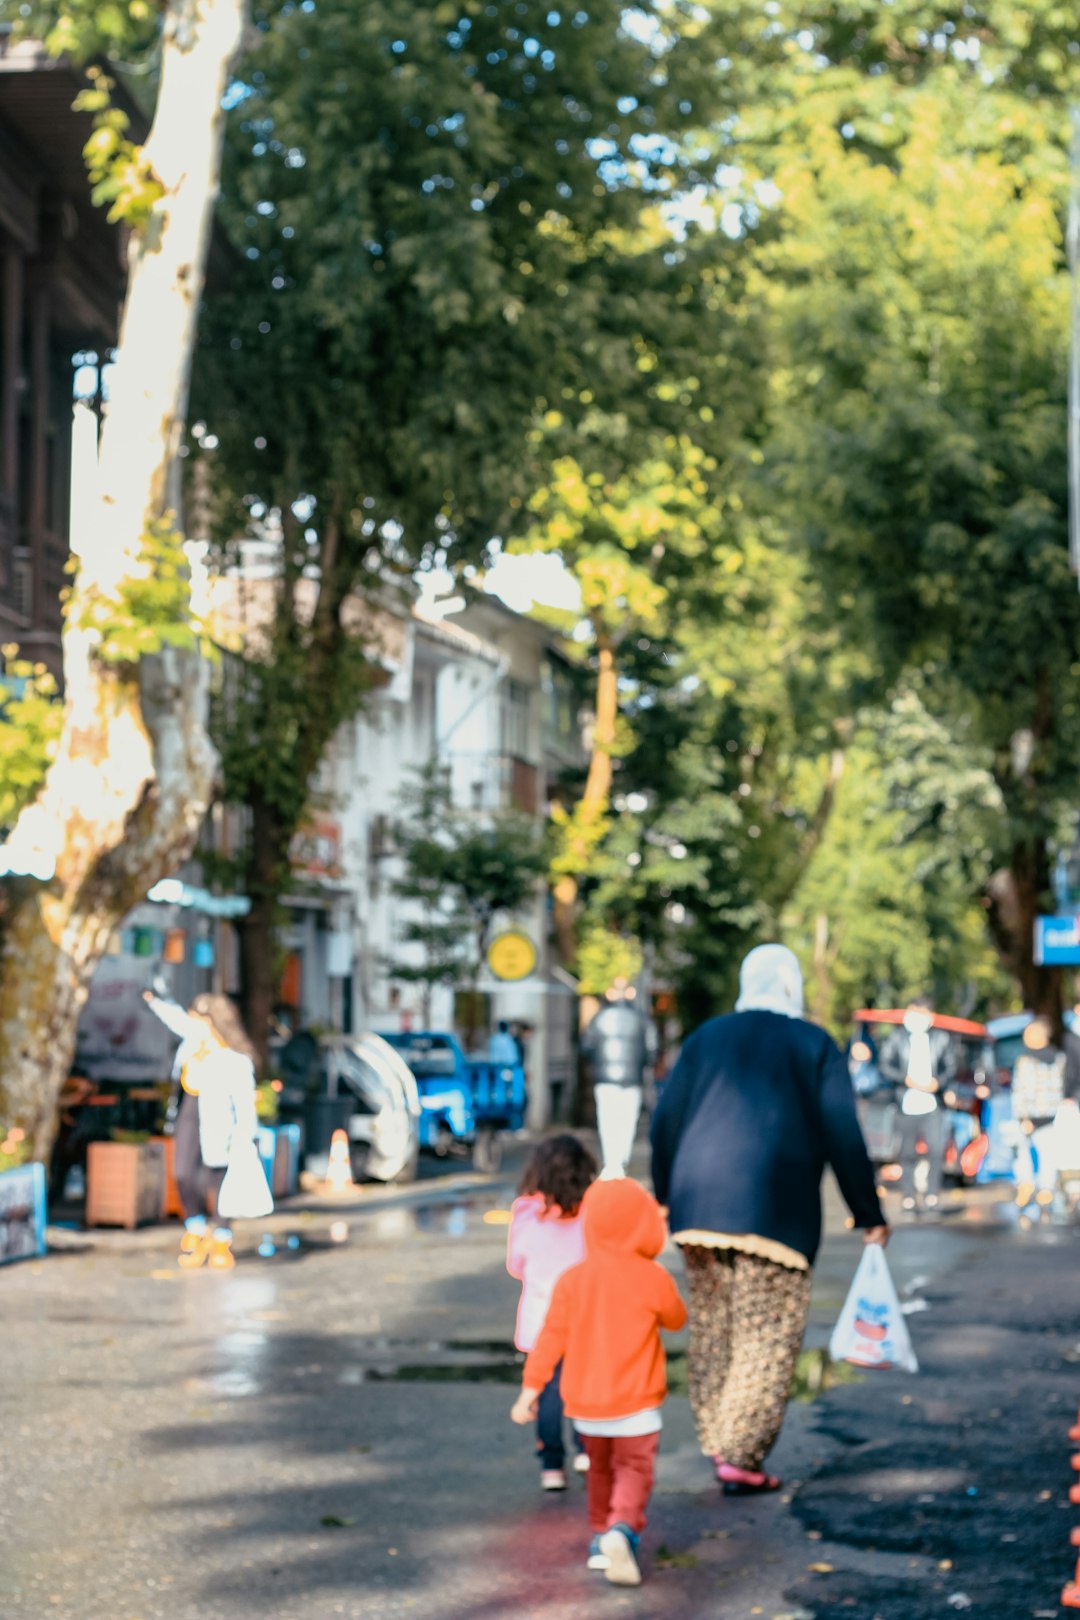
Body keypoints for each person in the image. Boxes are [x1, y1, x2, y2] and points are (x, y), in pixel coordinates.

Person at [650, 943, 887, 1496]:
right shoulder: (812, 1043)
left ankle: (720, 1439)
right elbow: (842, 1133)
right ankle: (740, 1453)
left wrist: (665, 1193)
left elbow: (666, 1119)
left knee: (714, 1328)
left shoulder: (707, 1037)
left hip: (696, 1208)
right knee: (766, 1331)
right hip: (774, 1210)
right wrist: (867, 1213)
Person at [511, 1177, 687, 1588]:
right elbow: (677, 1319)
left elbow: (550, 1339)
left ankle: (598, 1538)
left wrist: (530, 1391)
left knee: (601, 1472)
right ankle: (621, 1530)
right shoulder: (652, 1276)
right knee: (634, 1469)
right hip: (637, 1405)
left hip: (586, 1406)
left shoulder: (573, 1280)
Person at [143, 989, 260, 1269]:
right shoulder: (193, 1044)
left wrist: (247, 1133)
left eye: (200, 1020)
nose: (194, 1024)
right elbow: (177, 1020)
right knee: (182, 1172)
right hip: (189, 1111)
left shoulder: (233, 1059)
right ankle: (195, 1227)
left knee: (217, 1179)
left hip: (219, 1119)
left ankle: (221, 1237)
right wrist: (155, 1000)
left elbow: (244, 1101)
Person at [506, 1134, 598, 1489]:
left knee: (546, 1394)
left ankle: (551, 1467)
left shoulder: (526, 1212)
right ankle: (585, 1450)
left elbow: (516, 1264)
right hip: (585, 1319)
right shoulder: (591, 1211)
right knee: (582, 1390)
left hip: (540, 1323)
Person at [878, 996, 957, 1210]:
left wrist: (938, 1084)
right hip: (906, 1104)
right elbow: (884, 1065)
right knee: (907, 1152)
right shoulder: (897, 1038)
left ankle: (932, 1195)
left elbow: (951, 1067)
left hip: (933, 1105)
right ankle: (909, 1196)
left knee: (935, 1150)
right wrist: (905, 1079)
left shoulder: (941, 1039)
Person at [1010, 1016, 1080, 1210]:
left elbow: (1020, 1091)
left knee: (1024, 1153)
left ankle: (1027, 1186)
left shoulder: (1025, 1059)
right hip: (1051, 1114)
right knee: (1047, 1155)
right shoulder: (1058, 1058)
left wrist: (1023, 1116)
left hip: (1031, 1115)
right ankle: (1045, 1191)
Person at [581, 982, 650, 1177]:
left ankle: (611, 1163)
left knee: (607, 1120)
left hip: (604, 1078)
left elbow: (586, 1046)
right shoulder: (641, 1017)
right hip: (632, 1078)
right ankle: (622, 1161)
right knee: (627, 1121)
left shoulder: (598, 1017)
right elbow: (652, 1047)